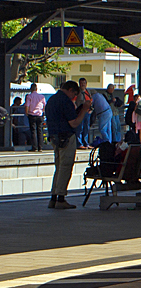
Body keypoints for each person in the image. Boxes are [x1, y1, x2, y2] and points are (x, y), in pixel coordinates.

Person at [45, 80, 92, 209]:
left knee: (58, 167)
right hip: (66, 137)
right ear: (71, 90)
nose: (74, 97)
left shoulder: (52, 99)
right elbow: (74, 123)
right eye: (74, 94)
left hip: (54, 136)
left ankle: (53, 197)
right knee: (65, 167)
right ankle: (61, 198)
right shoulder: (65, 101)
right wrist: (84, 110)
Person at [89, 80, 113, 145]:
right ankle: (109, 142)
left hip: (103, 113)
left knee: (102, 129)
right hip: (109, 111)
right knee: (108, 129)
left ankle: (106, 141)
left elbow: (90, 106)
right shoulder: (100, 95)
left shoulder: (93, 97)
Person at [24, 77, 45, 152]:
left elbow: (27, 105)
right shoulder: (41, 96)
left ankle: (34, 147)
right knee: (40, 130)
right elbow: (44, 105)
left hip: (32, 114)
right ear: (36, 89)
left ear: (31, 89)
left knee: (33, 131)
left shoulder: (29, 96)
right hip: (39, 115)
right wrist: (42, 112)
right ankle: (40, 147)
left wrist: (27, 113)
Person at [75, 77, 94, 149]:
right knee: (79, 128)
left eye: (84, 83)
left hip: (87, 112)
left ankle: (86, 143)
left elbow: (91, 100)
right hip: (80, 113)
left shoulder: (88, 92)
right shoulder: (77, 92)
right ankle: (79, 144)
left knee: (86, 128)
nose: (83, 85)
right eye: (81, 83)